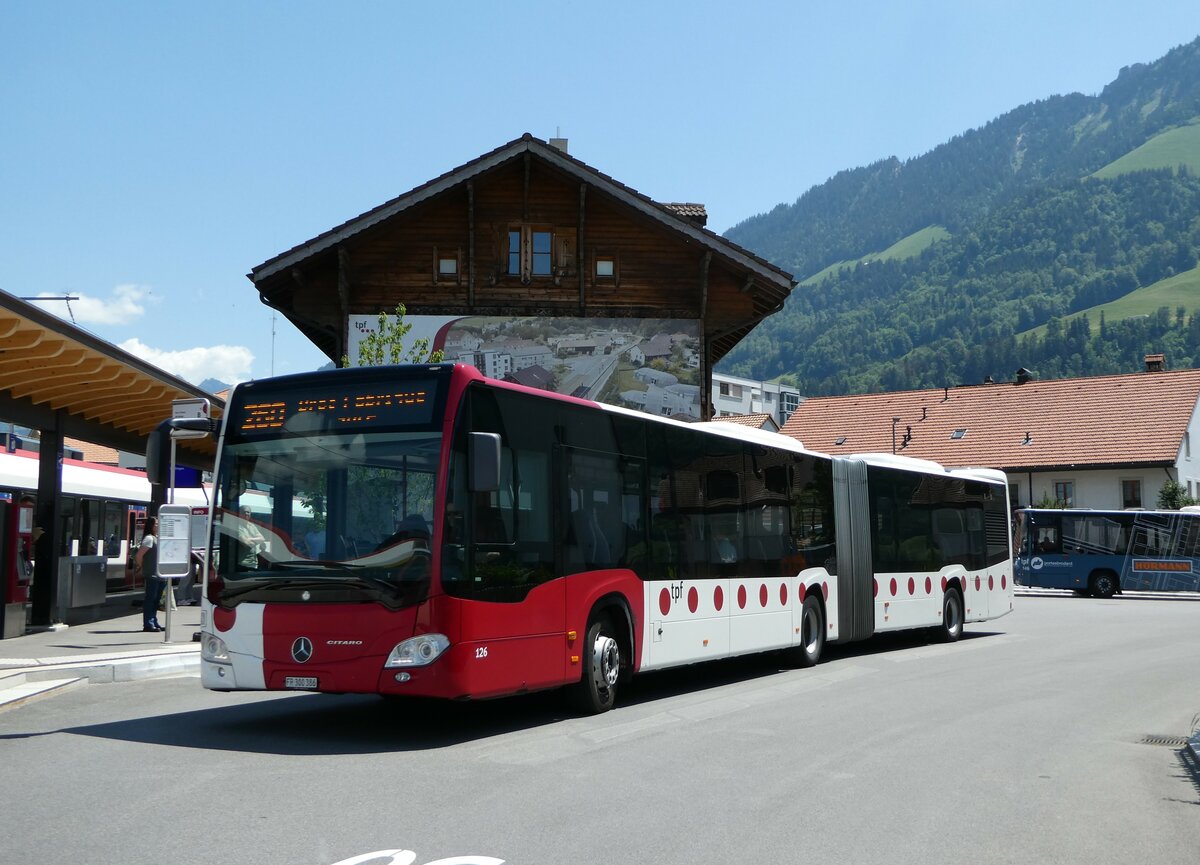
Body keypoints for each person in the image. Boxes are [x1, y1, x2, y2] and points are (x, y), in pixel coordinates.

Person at [137, 517, 163, 632]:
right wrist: (144, 566)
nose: (158, 526)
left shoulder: (157, 538)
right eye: (156, 524)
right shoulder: (149, 539)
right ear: (151, 526)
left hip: (160, 574)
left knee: (156, 599)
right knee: (150, 599)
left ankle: (154, 621)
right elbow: (139, 556)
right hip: (152, 574)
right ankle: (148, 623)